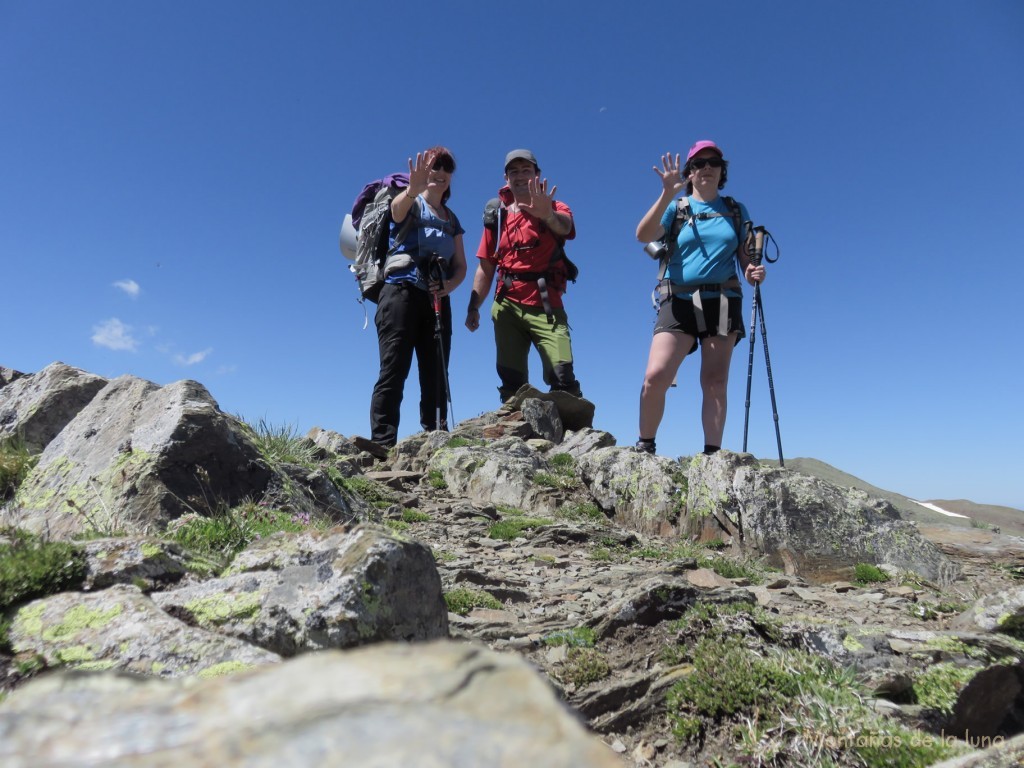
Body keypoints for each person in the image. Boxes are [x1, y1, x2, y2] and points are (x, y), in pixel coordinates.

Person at [634, 140, 766, 456]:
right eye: (699, 163)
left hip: (722, 300)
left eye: (713, 163)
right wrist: (667, 192)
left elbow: (745, 258)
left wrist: (751, 273)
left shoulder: (735, 210)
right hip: (678, 300)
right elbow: (643, 236)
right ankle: (645, 446)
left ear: (722, 172)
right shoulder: (675, 208)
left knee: (715, 381)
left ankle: (711, 455)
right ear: (689, 172)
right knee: (655, 376)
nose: (706, 167)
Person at [465, 149, 582, 403]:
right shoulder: (497, 216)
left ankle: (576, 434)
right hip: (507, 305)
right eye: (513, 171)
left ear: (537, 175)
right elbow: (486, 267)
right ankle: (515, 432)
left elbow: (566, 227)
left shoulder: (554, 207)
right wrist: (473, 307)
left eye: (526, 170)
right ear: (506, 178)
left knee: (562, 375)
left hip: (547, 304)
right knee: (511, 380)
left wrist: (546, 215)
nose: (520, 176)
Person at [369, 146, 467, 448]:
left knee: (436, 372)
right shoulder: (411, 203)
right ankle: (382, 447)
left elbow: (461, 266)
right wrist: (412, 190)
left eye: (446, 168)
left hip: (437, 299)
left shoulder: (451, 219)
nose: (440, 173)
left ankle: (435, 440)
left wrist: (449, 286)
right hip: (400, 293)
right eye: (434, 167)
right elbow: (396, 212)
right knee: (394, 368)